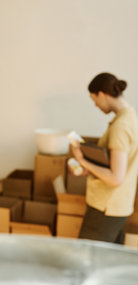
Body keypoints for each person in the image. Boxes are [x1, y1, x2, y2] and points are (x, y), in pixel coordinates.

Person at [71, 72, 138, 243]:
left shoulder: (121, 126)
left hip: (106, 206)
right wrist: (89, 169)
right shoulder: (129, 117)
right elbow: (117, 167)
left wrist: (82, 159)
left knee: (86, 259)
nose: (95, 105)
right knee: (110, 261)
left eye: (94, 100)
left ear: (102, 94)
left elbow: (116, 178)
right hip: (118, 205)